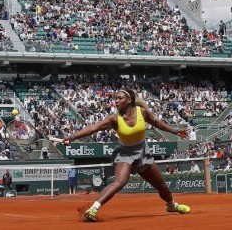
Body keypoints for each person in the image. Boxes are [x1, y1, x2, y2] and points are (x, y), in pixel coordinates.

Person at [63, 88, 191, 222]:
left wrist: (176, 131)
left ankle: (172, 205)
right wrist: (72, 136)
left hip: (143, 152)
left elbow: (157, 123)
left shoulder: (142, 112)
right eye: (115, 98)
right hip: (125, 153)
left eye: (120, 98)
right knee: (120, 181)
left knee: (161, 186)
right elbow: (93, 128)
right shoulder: (114, 118)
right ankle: (93, 209)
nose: (116, 101)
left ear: (129, 100)